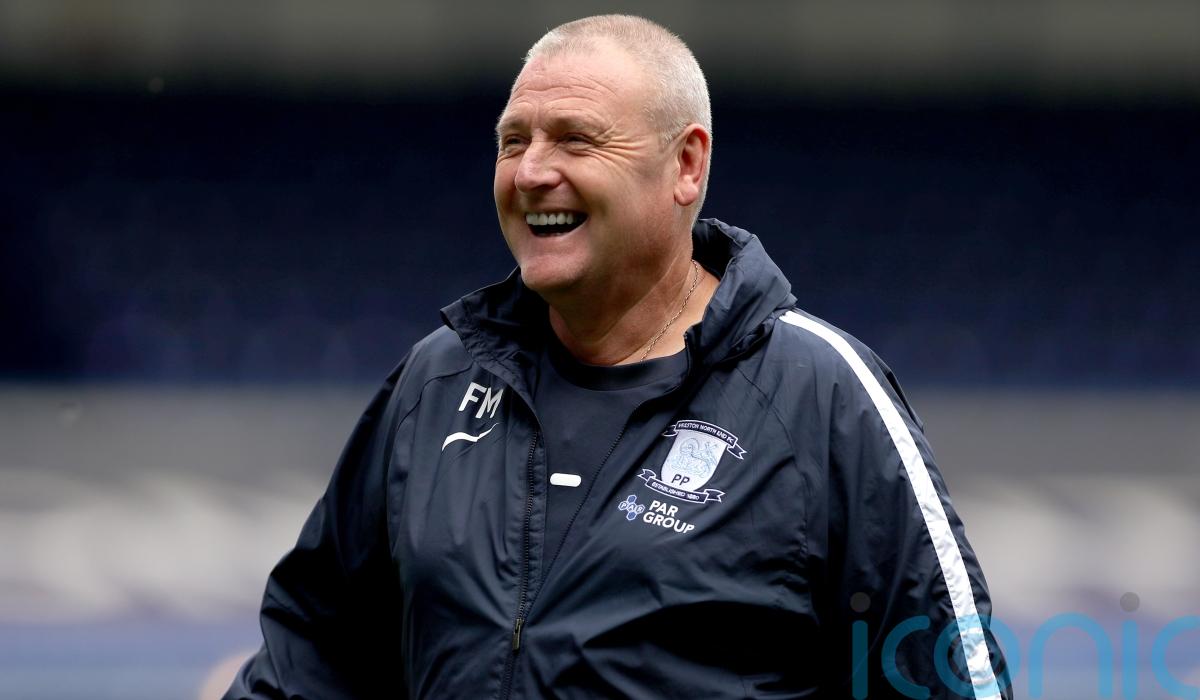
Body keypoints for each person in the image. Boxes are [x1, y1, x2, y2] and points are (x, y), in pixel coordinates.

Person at [226, 14, 1011, 700]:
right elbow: (311, 659)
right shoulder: (439, 380)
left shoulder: (822, 395)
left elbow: (951, 681)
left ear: (686, 166)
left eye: (576, 138)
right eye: (513, 141)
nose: (532, 172)